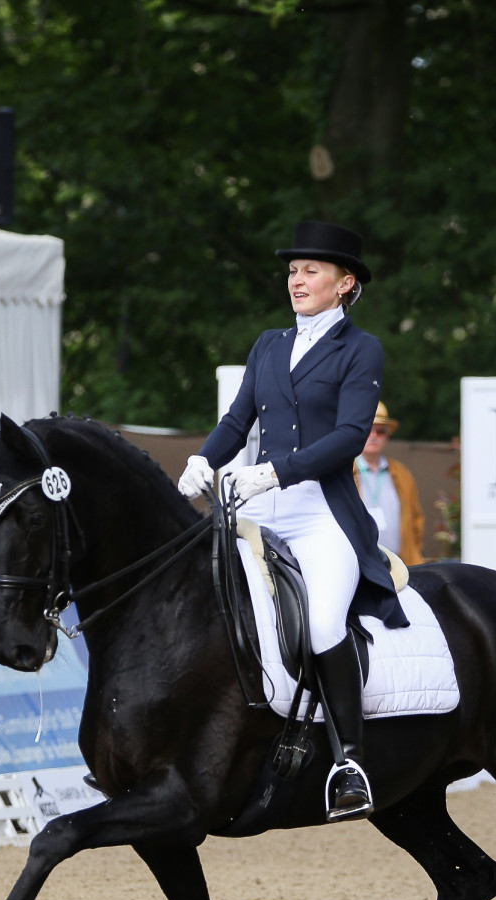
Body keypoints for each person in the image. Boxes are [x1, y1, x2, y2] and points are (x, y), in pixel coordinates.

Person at [178, 219, 408, 817]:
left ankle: (349, 760)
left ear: (344, 282)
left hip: (318, 512)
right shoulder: (268, 345)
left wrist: (278, 472)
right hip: (255, 506)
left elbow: (352, 436)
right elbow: (236, 424)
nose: (297, 281)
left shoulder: (359, 349)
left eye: (310, 271)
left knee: (326, 622)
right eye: (291, 271)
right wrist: (204, 460)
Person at [354, 402, 425, 566]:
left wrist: (413, 553)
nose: (373, 436)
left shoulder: (402, 473)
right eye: (368, 429)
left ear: (387, 435)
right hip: (359, 565)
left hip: (400, 565)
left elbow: (416, 521)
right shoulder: (344, 472)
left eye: (380, 431)